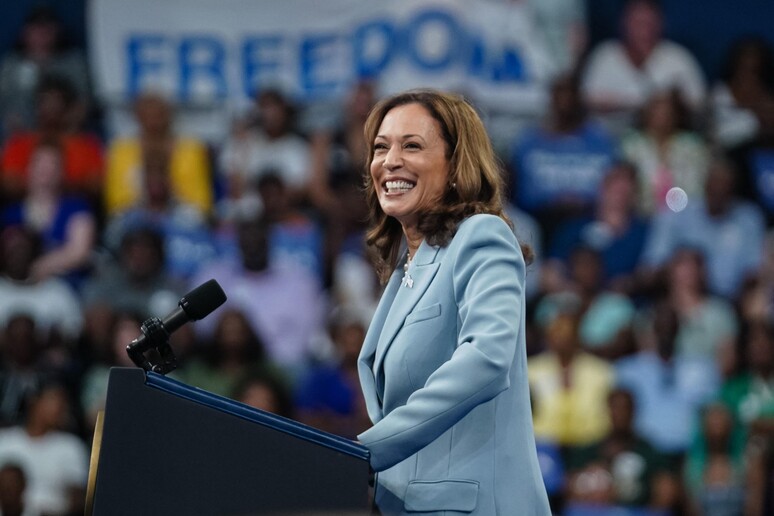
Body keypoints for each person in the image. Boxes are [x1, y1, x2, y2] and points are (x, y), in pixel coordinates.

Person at [356, 90, 550, 514]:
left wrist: (365, 453)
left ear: (456, 165)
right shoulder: (407, 268)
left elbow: (486, 357)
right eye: (380, 147)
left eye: (412, 146)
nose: (390, 161)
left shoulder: (481, 236)